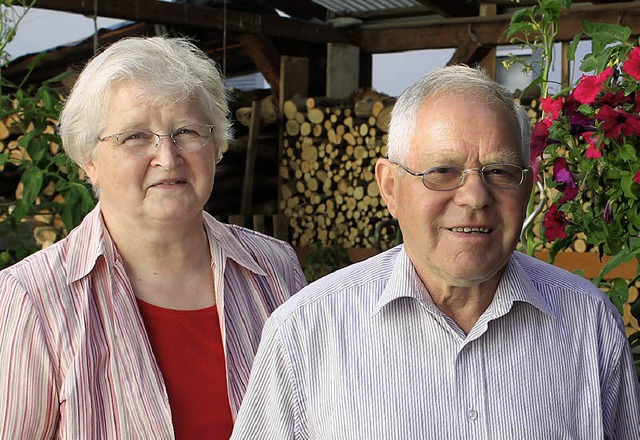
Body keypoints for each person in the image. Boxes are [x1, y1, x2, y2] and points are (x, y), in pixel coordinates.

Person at [231, 65, 640, 439]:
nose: (475, 197)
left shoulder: (589, 322)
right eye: (442, 171)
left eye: (499, 171)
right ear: (390, 187)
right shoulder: (305, 332)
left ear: (528, 187)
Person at [0, 36, 306, 439]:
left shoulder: (274, 269)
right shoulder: (34, 296)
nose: (168, 157)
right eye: (135, 136)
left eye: (187, 131)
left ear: (216, 146)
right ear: (89, 160)